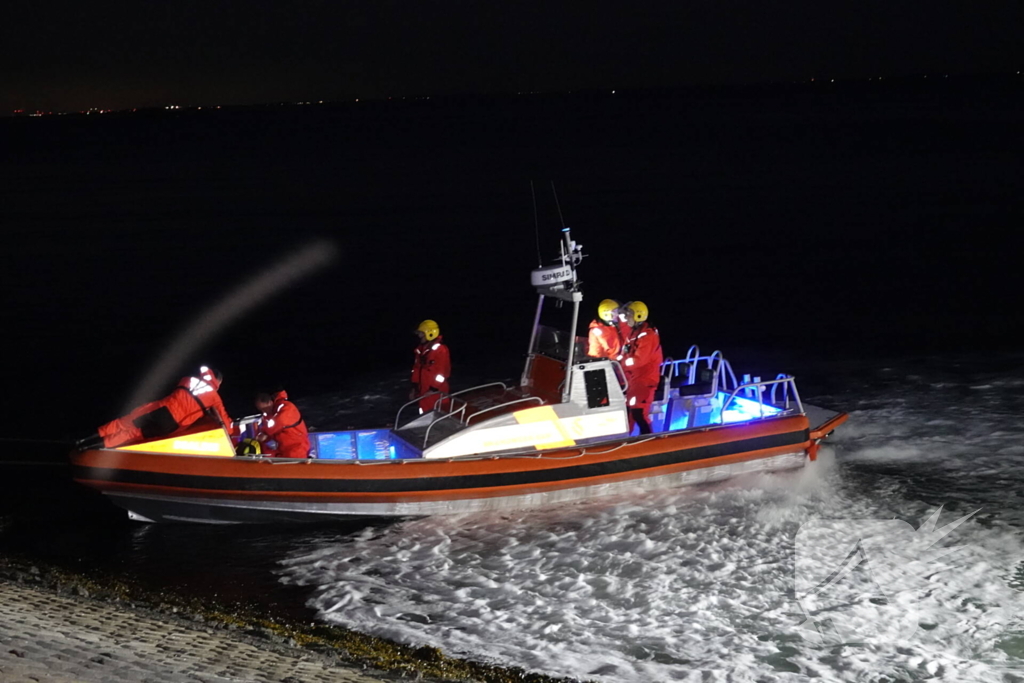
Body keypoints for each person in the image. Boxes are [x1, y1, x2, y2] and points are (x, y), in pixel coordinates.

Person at [78, 366, 236, 450]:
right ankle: (94, 448)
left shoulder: (187, 379)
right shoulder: (215, 398)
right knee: (134, 433)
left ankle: (84, 440)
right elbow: (228, 428)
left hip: (159, 408)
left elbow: (184, 393)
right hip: (171, 424)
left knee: (124, 422)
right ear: (218, 383)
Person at [620, 301, 663, 435]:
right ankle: (627, 438)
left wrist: (621, 364)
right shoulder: (635, 332)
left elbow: (639, 360)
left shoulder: (648, 336)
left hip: (645, 380)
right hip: (634, 379)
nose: (626, 317)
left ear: (638, 316)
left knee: (639, 412)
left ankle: (648, 440)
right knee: (630, 411)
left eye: (629, 315)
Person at [254, 389, 310, 459]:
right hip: (283, 450)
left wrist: (265, 433)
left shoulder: (287, 407)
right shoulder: (269, 415)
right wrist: (260, 438)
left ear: (270, 403)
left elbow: (281, 421)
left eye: (264, 408)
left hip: (297, 449)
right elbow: (271, 430)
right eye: (261, 410)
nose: (263, 411)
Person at [410, 319, 451, 413]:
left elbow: (442, 373)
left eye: (421, 333)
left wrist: (433, 389)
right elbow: (416, 369)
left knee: (440, 415)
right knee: (424, 415)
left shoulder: (440, 350)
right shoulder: (420, 351)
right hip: (423, 393)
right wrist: (414, 388)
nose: (419, 336)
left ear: (430, 333)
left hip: (437, 393)